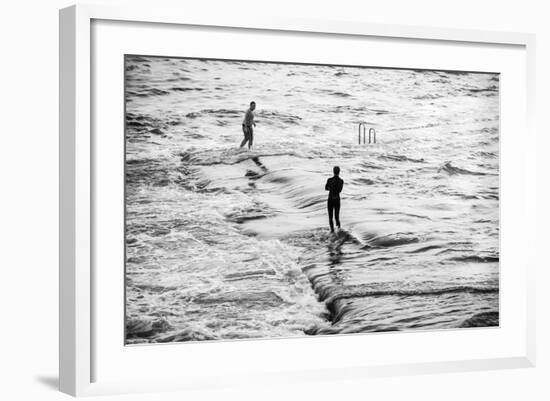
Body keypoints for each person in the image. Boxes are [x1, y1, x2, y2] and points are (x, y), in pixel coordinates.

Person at [325, 166, 344, 233]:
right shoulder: (341, 181)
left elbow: (326, 188)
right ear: (339, 172)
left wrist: (331, 188)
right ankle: (339, 231)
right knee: (337, 217)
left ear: (333, 171)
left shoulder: (329, 180)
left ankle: (332, 231)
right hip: (337, 199)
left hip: (330, 199)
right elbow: (340, 190)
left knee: (330, 217)